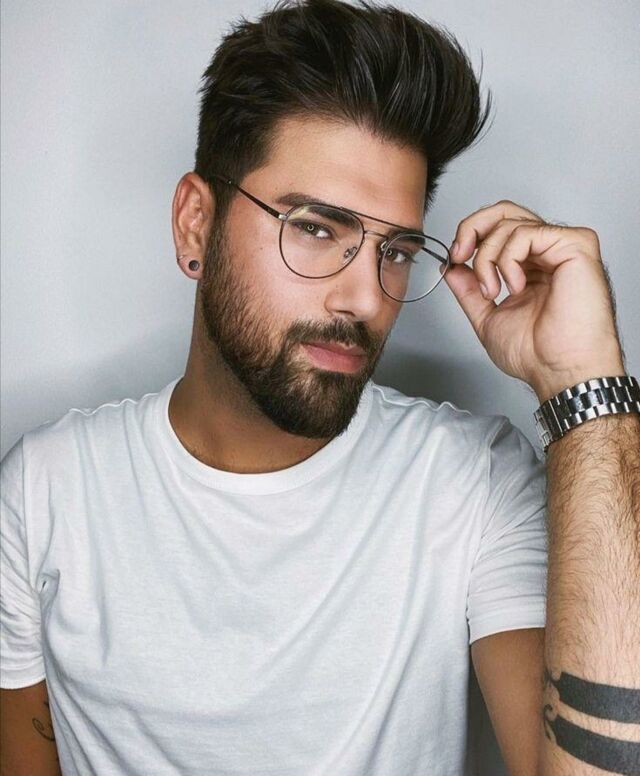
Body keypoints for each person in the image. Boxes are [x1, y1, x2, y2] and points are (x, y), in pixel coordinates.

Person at [2, 1, 639, 775]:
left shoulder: (471, 483)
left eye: (396, 250)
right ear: (196, 224)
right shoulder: (46, 492)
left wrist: (584, 383)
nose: (365, 299)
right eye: (314, 227)